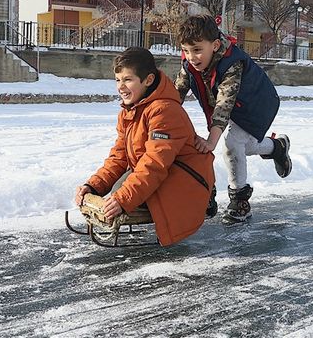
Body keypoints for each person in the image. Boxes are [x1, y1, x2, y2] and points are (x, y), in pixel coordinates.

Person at [74, 47, 215, 246]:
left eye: (128, 80)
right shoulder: (130, 111)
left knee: (121, 195)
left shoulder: (165, 111)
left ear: (148, 80)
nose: (121, 87)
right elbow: (119, 156)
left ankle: (203, 201)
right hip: (160, 174)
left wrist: (122, 200)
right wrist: (93, 186)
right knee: (116, 192)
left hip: (186, 182)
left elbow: (154, 164)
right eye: (118, 80)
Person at [174, 14, 292, 225]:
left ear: (215, 45)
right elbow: (176, 95)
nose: (191, 57)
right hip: (236, 106)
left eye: (197, 50)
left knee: (232, 142)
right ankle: (277, 147)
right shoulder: (189, 64)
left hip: (257, 104)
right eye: (186, 50)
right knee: (245, 146)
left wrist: (211, 141)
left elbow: (224, 105)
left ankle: (240, 201)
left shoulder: (232, 63)